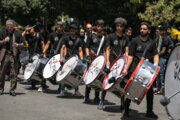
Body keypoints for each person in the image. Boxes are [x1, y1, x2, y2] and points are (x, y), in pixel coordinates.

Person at [122, 22, 159, 118]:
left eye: (144, 29)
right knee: (132, 89)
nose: (142, 30)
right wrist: (126, 68)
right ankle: (126, 110)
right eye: (141, 28)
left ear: (149, 31)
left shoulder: (152, 43)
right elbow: (130, 56)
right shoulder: (134, 41)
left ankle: (149, 111)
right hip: (135, 68)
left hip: (147, 70)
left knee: (149, 91)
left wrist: (155, 68)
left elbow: (156, 55)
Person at [98, 17, 129, 109]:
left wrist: (126, 61)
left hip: (121, 62)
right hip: (111, 60)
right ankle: (102, 101)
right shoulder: (111, 36)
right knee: (107, 80)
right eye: (117, 26)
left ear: (123, 27)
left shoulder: (125, 38)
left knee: (122, 82)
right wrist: (107, 61)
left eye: (121, 26)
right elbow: (107, 49)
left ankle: (122, 103)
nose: (119, 28)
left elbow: (127, 50)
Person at [84, 19, 106, 104]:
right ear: (96, 27)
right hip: (91, 59)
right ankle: (86, 96)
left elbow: (105, 50)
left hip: (99, 61)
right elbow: (86, 47)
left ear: (103, 27)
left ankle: (96, 97)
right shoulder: (91, 36)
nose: (100, 28)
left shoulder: (104, 38)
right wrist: (87, 56)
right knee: (89, 76)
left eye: (101, 26)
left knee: (98, 78)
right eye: (98, 26)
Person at [0, 20, 24, 96]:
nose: (9, 28)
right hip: (5, 55)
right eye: (8, 27)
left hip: (14, 55)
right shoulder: (2, 32)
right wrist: (4, 40)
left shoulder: (18, 33)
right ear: (6, 26)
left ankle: (12, 90)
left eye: (11, 27)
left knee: (14, 73)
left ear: (13, 26)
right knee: (1, 73)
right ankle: (1, 89)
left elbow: (23, 44)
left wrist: (18, 45)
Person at [59, 24, 83, 97]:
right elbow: (62, 48)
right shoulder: (66, 38)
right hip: (67, 59)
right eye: (71, 31)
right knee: (64, 74)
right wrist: (61, 58)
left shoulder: (79, 40)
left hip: (75, 60)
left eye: (73, 31)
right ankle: (62, 90)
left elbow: (80, 50)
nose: (72, 32)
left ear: (76, 31)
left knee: (75, 75)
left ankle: (76, 91)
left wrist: (81, 59)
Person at [155, 25, 171, 95]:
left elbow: (163, 51)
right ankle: (158, 87)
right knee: (158, 73)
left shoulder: (166, 39)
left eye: (161, 31)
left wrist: (156, 55)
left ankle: (162, 89)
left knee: (161, 74)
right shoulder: (164, 38)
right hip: (161, 57)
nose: (160, 32)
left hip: (163, 58)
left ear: (164, 31)